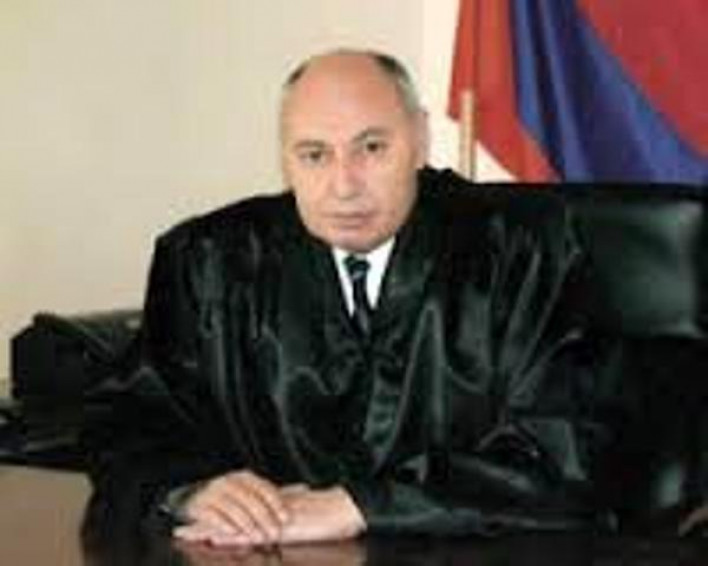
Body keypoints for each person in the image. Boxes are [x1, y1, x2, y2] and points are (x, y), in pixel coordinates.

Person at [85, 48, 616, 548]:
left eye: (372, 148)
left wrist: (365, 505)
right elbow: (129, 421)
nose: (344, 185)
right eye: (314, 155)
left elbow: (567, 453)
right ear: (285, 158)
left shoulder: (522, 251)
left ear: (420, 139)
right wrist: (189, 488)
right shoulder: (209, 261)